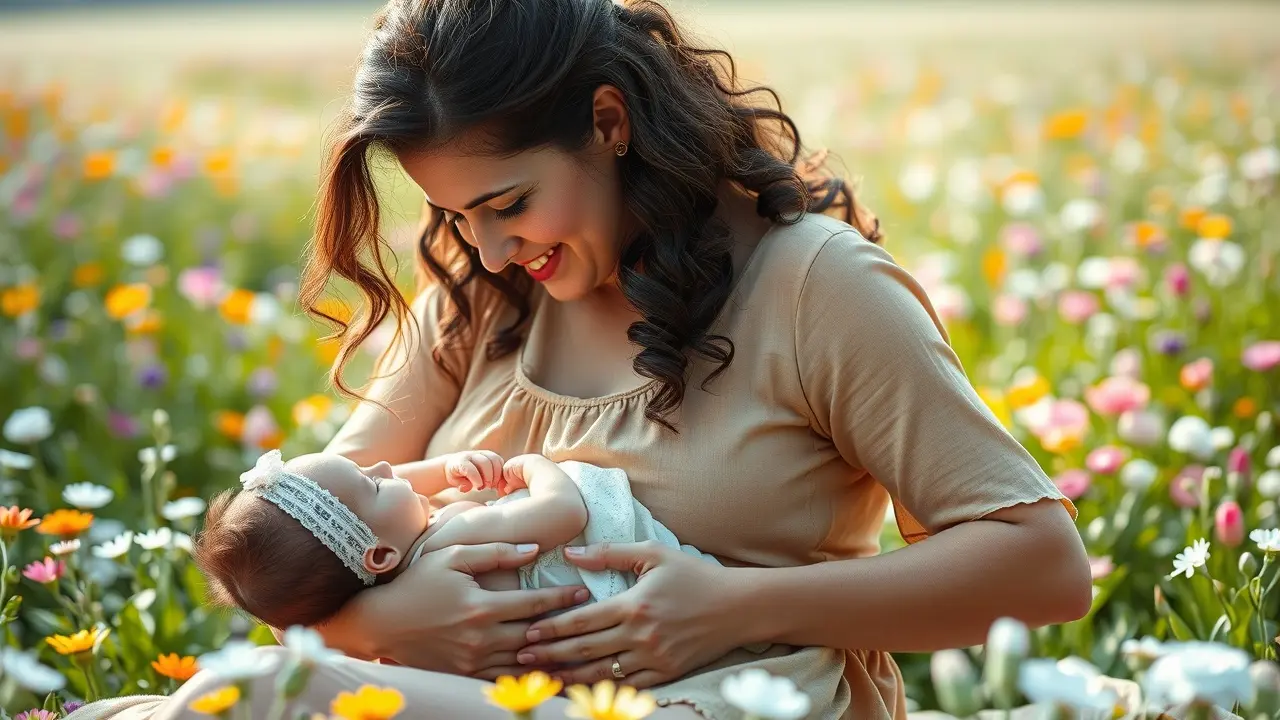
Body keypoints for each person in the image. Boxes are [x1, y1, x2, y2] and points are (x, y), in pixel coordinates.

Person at [70, 0, 1090, 718]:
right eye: (452, 215)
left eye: (507, 203)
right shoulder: (477, 296)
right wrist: (381, 627)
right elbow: (312, 536)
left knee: (253, 700)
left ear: (608, 123)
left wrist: (735, 604)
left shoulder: (817, 288)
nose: (488, 247)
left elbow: (1043, 566)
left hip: (724, 706)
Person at [190, 447, 739, 634]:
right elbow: (566, 512)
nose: (388, 466)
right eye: (373, 481)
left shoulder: (402, 576)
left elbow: (398, 506)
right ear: (377, 554)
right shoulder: (458, 538)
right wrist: (537, 468)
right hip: (623, 574)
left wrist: (451, 468)